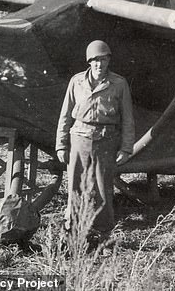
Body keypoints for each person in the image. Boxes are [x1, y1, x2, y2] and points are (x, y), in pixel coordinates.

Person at [55, 40, 134, 246]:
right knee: (74, 187)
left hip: (105, 141)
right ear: (89, 62)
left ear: (109, 61)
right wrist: (61, 145)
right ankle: (71, 234)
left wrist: (126, 148)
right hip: (79, 138)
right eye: (96, 60)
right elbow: (65, 116)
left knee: (102, 189)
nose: (100, 64)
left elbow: (127, 119)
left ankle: (103, 236)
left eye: (104, 59)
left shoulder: (119, 84)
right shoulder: (76, 82)